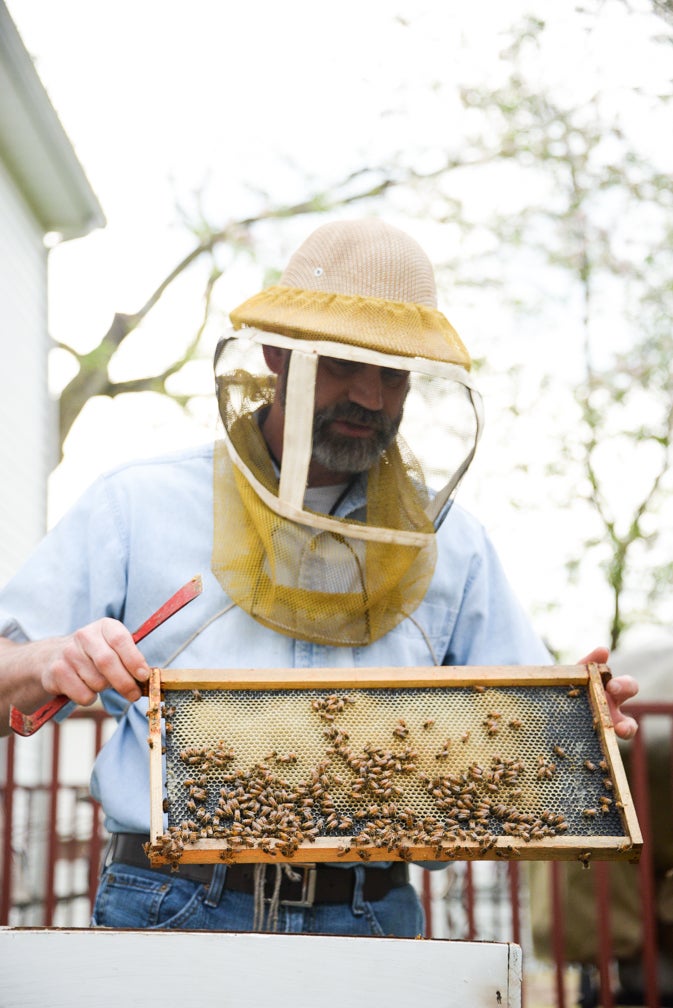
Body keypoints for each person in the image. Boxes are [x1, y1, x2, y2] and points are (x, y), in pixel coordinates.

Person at [0, 218, 638, 937]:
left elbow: (526, 740)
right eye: (342, 363)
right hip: (172, 903)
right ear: (277, 354)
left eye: (392, 373)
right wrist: (45, 658)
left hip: (368, 911)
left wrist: (580, 724)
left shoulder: (453, 543)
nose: (369, 396)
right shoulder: (136, 502)